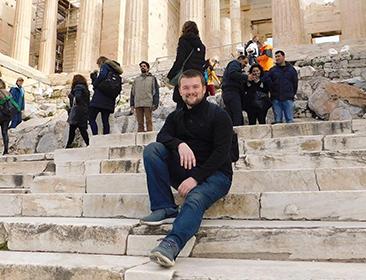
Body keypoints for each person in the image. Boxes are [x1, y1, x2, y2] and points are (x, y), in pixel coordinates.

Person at [141, 69, 233, 268]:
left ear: (203, 88)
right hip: (186, 171)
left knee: (195, 198)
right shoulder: (176, 116)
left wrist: (196, 179)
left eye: (195, 87)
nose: (190, 91)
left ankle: (171, 244)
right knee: (153, 150)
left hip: (216, 175)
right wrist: (180, 145)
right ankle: (164, 207)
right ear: (180, 91)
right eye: (186, 88)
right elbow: (162, 138)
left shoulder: (219, 116)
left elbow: (222, 154)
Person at [167, 21, 206, 109]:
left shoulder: (183, 41)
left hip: (186, 77)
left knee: (182, 107)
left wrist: (170, 75)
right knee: (198, 107)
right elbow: (202, 63)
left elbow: (180, 60)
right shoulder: (202, 46)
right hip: (198, 78)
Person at [89, 56, 123, 135]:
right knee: (105, 120)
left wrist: (94, 81)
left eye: (98, 64)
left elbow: (102, 77)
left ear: (101, 62)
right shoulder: (116, 73)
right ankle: (106, 137)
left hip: (99, 99)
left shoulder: (105, 66)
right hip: (109, 100)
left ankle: (95, 136)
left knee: (91, 117)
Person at [266, 50, 298, 123]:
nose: (277, 58)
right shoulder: (272, 70)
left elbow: (295, 83)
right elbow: (268, 81)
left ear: (283, 57)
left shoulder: (291, 69)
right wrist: (272, 90)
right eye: (276, 57)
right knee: (277, 120)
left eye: (278, 56)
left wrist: (292, 94)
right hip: (276, 98)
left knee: (289, 119)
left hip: (288, 97)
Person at [130, 61, 160, 132]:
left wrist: (155, 103)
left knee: (148, 121)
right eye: (141, 66)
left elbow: (156, 92)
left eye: (144, 66)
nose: (142, 67)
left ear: (148, 68)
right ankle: (140, 140)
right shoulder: (136, 80)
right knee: (140, 123)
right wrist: (132, 104)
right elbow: (132, 92)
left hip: (148, 103)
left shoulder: (152, 79)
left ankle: (149, 139)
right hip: (138, 103)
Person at [221, 55, 249, 126]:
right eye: (245, 62)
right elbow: (233, 74)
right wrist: (247, 77)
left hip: (229, 93)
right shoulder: (234, 63)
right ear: (240, 59)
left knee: (233, 115)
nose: (245, 65)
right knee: (236, 115)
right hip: (232, 92)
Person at [66, 74, 90, 148]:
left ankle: (69, 145)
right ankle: (88, 144)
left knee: (74, 129)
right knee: (80, 129)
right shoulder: (85, 88)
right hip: (84, 110)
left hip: (77, 111)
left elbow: (77, 98)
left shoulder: (78, 87)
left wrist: (70, 96)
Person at [0, 79, 12, 155]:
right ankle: (6, 151)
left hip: (0, 114)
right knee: (5, 132)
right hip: (7, 115)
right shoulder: (8, 93)